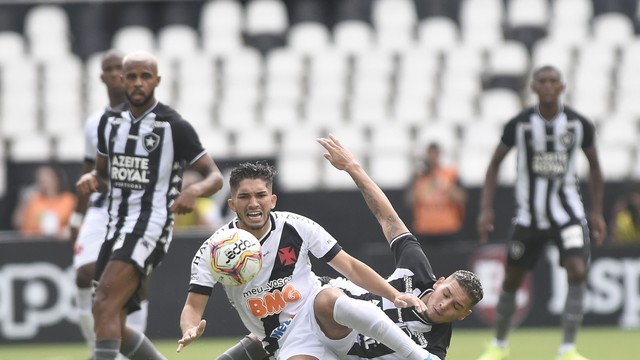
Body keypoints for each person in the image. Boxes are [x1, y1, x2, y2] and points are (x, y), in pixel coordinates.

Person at [177, 161, 426, 359]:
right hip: (285, 338)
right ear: (232, 204)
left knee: (328, 296)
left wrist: (393, 295)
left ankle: (421, 357)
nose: (253, 203)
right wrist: (189, 328)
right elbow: (193, 306)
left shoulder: (297, 226)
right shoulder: (214, 250)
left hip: (318, 312)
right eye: (244, 197)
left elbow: (348, 265)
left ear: (272, 200)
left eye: (260, 195)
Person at [275, 135, 483, 360]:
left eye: (456, 306)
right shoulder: (417, 268)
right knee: (318, 304)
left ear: (464, 315)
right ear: (440, 282)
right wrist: (352, 167)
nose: (444, 305)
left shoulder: (434, 347)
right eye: (447, 293)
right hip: (323, 308)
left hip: (334, 354)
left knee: (272, 343)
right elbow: (388, 218)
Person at [76, 50, 224, 360]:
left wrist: (194, 190)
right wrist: (92, 179)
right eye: (132, 76)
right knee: (110, 317)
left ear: (156, 80)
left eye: (146, 76)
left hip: (150, 226)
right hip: (114, 227)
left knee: (104, 302)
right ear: (122, 80)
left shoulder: (173, 125)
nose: (138, 82)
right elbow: (103, 175)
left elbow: (215, 177)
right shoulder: (109, 122)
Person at [475, 65, 607, 360]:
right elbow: (494, 164)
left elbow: (596, 167)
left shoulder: (579, 124)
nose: (547, 86)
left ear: (562, 86)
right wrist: (486, 208)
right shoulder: (519, 124)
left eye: (553, 81)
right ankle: (499, 343)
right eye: (542, 81)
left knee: (577, 270)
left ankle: (568, 347)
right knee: (511, 278)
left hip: (568, 215)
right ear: (534, 87)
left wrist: (597, 212)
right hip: (529, 218)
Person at [69, 49, 149, 359]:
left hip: (138, 209)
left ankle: (131, 348)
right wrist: (76, 219)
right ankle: (98, 348)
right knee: (84, 273)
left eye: (123, 69)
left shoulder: (152, 118)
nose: (117, 73)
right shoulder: (95, 123)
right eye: (111, 68)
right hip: (102, 208)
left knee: (134, 280)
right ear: (103, 76)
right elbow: (89, 171)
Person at [406, 142, 466, 247]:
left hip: (448, 228)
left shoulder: (450, 173)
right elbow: (409, 200)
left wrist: (443, 184)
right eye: (430, 154)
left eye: (435, 154)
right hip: (424, 230)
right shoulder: (419, 176)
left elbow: (461, 198)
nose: (432, 157)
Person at [13, 164, 77, 239]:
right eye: (40, 178)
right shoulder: (32, 199)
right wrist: (23, 202)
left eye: (47, 177)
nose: (43, 180)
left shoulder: (69, 200)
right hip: (33, 242)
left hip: (59, 242)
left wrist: (69, 230)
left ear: (56, 179)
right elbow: (17, 223)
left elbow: (77, 221)